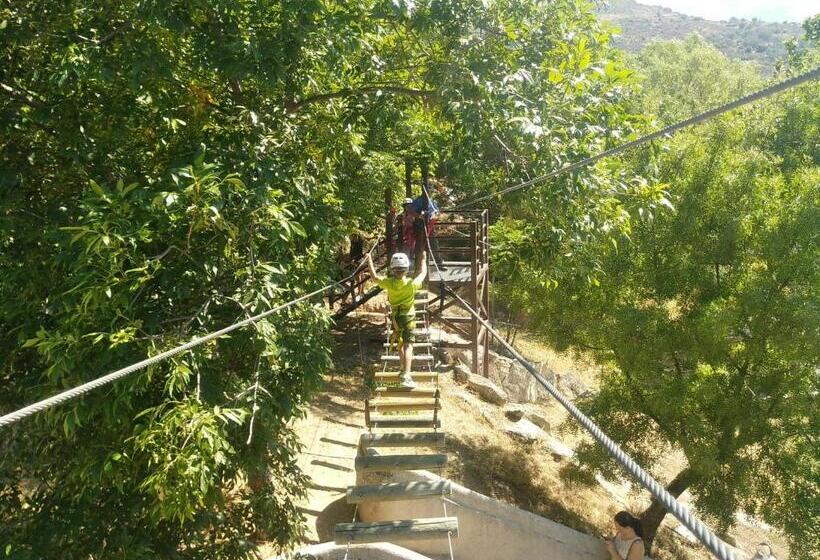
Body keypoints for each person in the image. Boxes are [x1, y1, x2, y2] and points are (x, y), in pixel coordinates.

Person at [367, 250, 427, 388]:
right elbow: (423, 273)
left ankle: (403, 369)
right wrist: (423, 258)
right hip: (409, 318)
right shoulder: (412, 284)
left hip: (396, 319)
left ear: (392, 269)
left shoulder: (389, 283)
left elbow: (374, 277)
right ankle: (406, 375)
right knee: (408, 345)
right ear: (406, 269)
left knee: (400, 343)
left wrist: (369, 259)